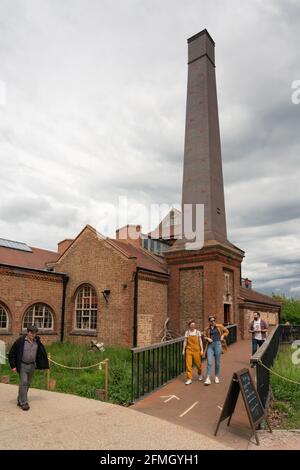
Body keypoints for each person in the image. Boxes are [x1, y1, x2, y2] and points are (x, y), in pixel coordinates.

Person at [8, 325, 49, 410]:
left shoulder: (37, 342)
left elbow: (41, 353)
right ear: (28, 332)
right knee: (23, 382)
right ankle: (24, 403)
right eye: (31, 332)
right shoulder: (20, 341)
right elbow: (12, 353)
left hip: (32, 365)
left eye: (34, 333)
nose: (33, 335)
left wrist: (42, 364)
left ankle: (20, 399)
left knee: (28, 383)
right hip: (22, 365)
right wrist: (13, 365)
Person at [204, 315, 229, 385]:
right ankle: (208, 378)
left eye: (214, 320)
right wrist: (207, 338)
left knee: (217, 362)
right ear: (209, 321)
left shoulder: (219, 326)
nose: (213, 322)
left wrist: (223, 335)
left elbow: (226, 331)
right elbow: (204, 335)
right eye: (211, 321)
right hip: (210, 346)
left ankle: (216, 376)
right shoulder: (207, 329)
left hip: (218, 344)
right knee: (209, 362)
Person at [182, 320, 204, 385]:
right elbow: (185, 341)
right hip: (189, 350)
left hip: (196, 350)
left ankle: (200, 374)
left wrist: (202, 349)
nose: (193, 326)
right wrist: (183, 350)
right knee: (188, 365)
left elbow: (200, 341)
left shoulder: (198, 332)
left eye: (194, 325)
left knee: (198, 364)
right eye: (191, 325)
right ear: (189, 326)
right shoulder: (187, 332)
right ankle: (189, 379)